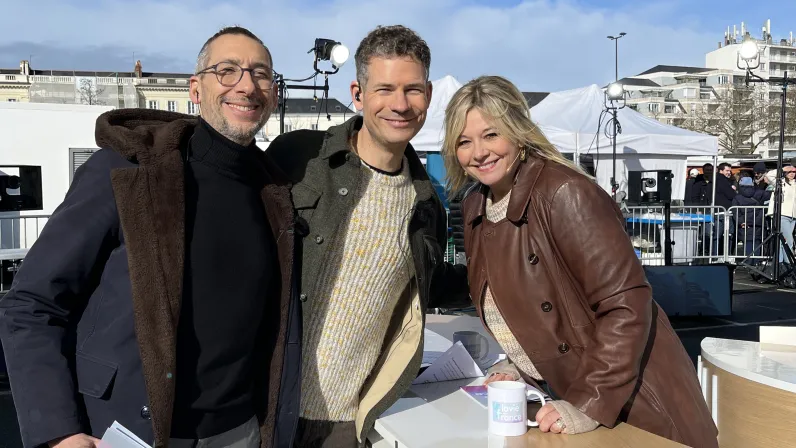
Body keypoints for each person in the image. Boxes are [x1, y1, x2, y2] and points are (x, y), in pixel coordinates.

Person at [0, 26, 301, 448]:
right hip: (129, 429)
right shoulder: (128, 173)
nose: (247, 86)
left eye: (261, 73)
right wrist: (58, 431)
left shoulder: (275, 192)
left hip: (241, 432)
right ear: (196, 88)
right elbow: (31, 303)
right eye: (228, 70)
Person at [440, 75, 718, 447]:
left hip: (636, 403)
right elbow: (538, 314)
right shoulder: (477, 204)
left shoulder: (564, 192)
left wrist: (589, 402)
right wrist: (520, 366)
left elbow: (626, 306)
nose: (478, 152)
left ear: (518, 132)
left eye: (491, 135)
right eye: (464, 142)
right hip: (572, 399)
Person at [266, 25, 469, 447]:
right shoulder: (297, 157)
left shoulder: (427, 204)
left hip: (349, 422)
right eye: (385, 89)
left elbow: (432, 286)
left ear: (428, 96)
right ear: (358, 93)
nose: (400, 104)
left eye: (413, 90)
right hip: (264, 406)